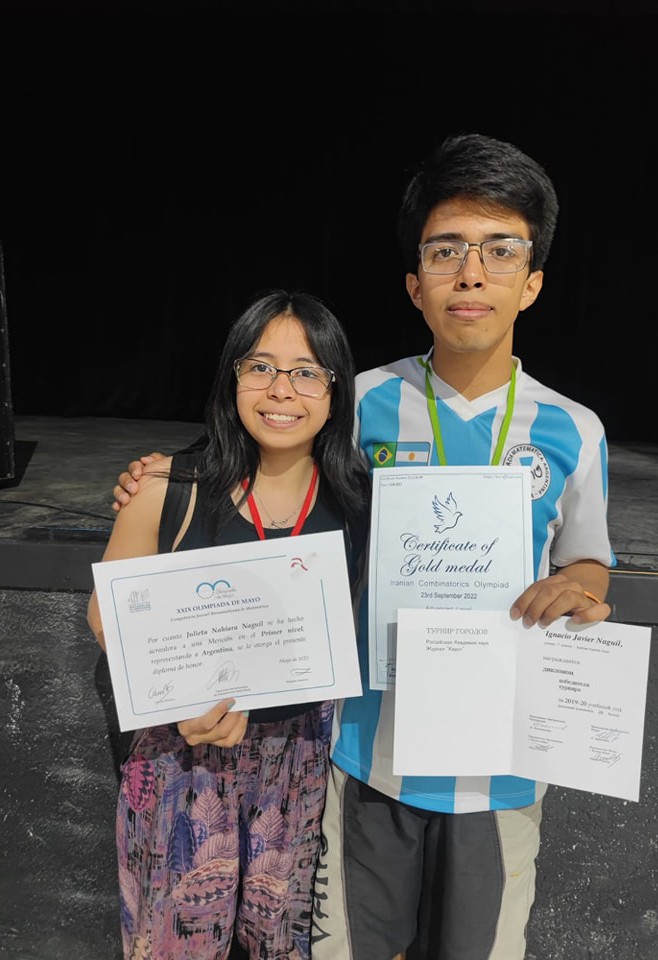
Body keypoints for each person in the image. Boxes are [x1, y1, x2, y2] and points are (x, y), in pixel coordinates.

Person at [111, 132, 616, 960]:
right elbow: (266, 460)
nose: (471, 271)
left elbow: (587, 560)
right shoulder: (362, 404)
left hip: (499, 769)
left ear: (531, 281)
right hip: (364, 753)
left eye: (499, 251)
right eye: (446, 249)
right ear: (415, 284)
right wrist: (163, 476)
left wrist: (585, 588)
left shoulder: (572, 430)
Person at [89, 289, 370, 960]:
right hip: (179, 756)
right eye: (260, 367)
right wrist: (184, 699)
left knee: (278, 944)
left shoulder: (356, 502)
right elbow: (108, 612)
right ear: (232, 379)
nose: (282, 390)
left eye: (306, 372)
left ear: (334, 392)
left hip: (295, 759)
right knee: (174, 943)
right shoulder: (170, 490)